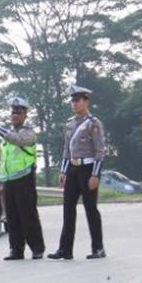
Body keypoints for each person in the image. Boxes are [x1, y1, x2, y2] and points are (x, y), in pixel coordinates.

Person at [48, 85, 107, 260]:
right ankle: (65, 249)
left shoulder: (93, 123)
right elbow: (67, 149)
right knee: (68, 209)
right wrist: (63, 171)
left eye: (78, 100)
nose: (74, 104)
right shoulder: (69, 124)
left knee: (91, 209)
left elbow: (100, 151)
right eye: (72, 101)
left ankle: (98, 248)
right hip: (72, 169)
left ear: (86, 101)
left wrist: (95, 175)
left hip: (88, 169)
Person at [0, 96, 45, 261]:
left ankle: (37, 248)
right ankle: (16, 249)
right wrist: (1, 182)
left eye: (19, 112)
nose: (15, 115)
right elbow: (4, 159)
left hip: (24, 178)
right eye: (13, 112)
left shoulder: (28, 132)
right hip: (9, 179)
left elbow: (17, 140)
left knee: (28, 214)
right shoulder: (7, 136)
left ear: (25, 115)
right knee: (12, 217)